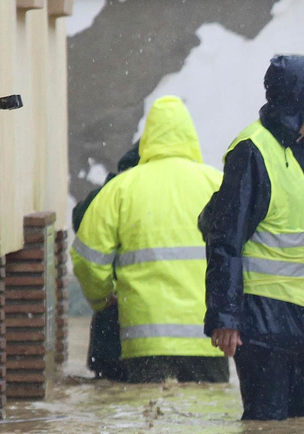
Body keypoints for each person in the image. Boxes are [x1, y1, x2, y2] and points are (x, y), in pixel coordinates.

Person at [201, 55, 304, 421]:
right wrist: (225, 317)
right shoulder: (251, 151)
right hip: (264, 327)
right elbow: (225, 239)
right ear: (301, 97)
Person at [71, 97, 227, 383]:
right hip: (210, 339)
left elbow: (86, 257)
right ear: (190, 134)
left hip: (145, 344)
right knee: (208, 422)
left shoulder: (121, 189)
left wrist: (102, 299)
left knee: (148, 420)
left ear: (148, 137)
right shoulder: (216, 184)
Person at [71, 143, 140, 380]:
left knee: (110, 398)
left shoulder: (104, 196)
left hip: (110, 327)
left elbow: (79, 221)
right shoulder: (112, 196)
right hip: (121, 327)